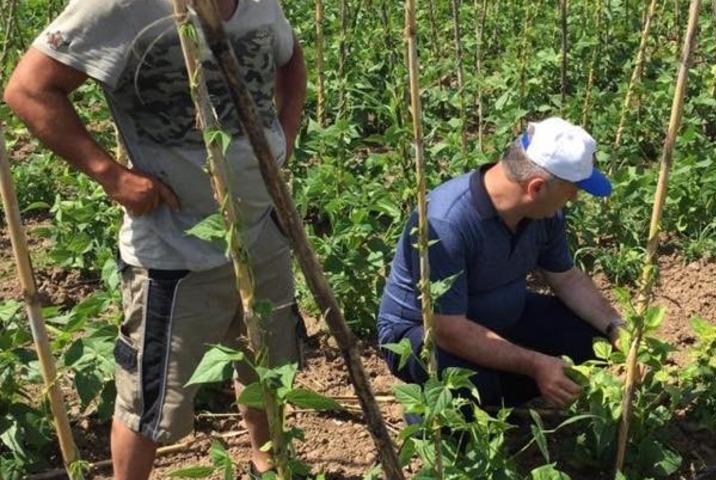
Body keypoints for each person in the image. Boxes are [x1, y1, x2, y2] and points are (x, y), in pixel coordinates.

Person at [3, 0, 306, 477]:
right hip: (175, 246)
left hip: (263, 225)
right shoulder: (121, 5)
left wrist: (283, 135)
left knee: (267, 363)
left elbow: (290, 58)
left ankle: (268, 463)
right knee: (150, 398)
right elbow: (28, 89)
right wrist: (111, 176)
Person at [378, 117, 624, 409]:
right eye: (573, 190)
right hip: (423, 333)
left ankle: (510, 391)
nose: (574, 199)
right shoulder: (445, 224)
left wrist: (616, 327)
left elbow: (566, 278)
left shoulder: (543, 214)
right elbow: (448, 330)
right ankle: (435, 418)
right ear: (536, 188)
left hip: (503, 315)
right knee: (468, 386)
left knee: (592, 342)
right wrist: (536, 365)